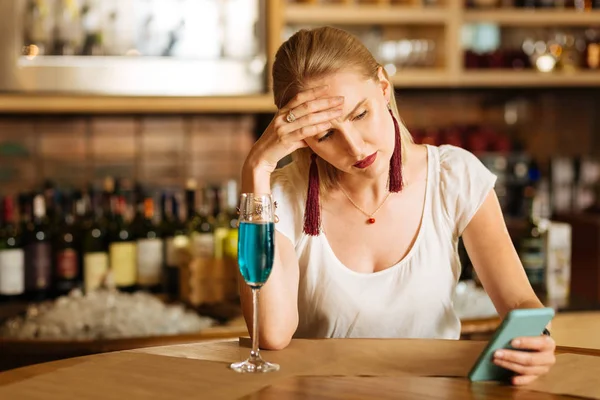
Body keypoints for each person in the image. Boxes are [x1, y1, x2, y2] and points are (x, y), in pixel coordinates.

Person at [239, 26, 555, 385]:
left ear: (383, 87)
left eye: (360, 114)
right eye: (325, 135)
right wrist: (257, 167)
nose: (356, 148)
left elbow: (519, 303)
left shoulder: (454, 176)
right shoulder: (280, 198)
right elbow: (271, 335)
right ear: (300, 138)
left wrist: (537, 341)